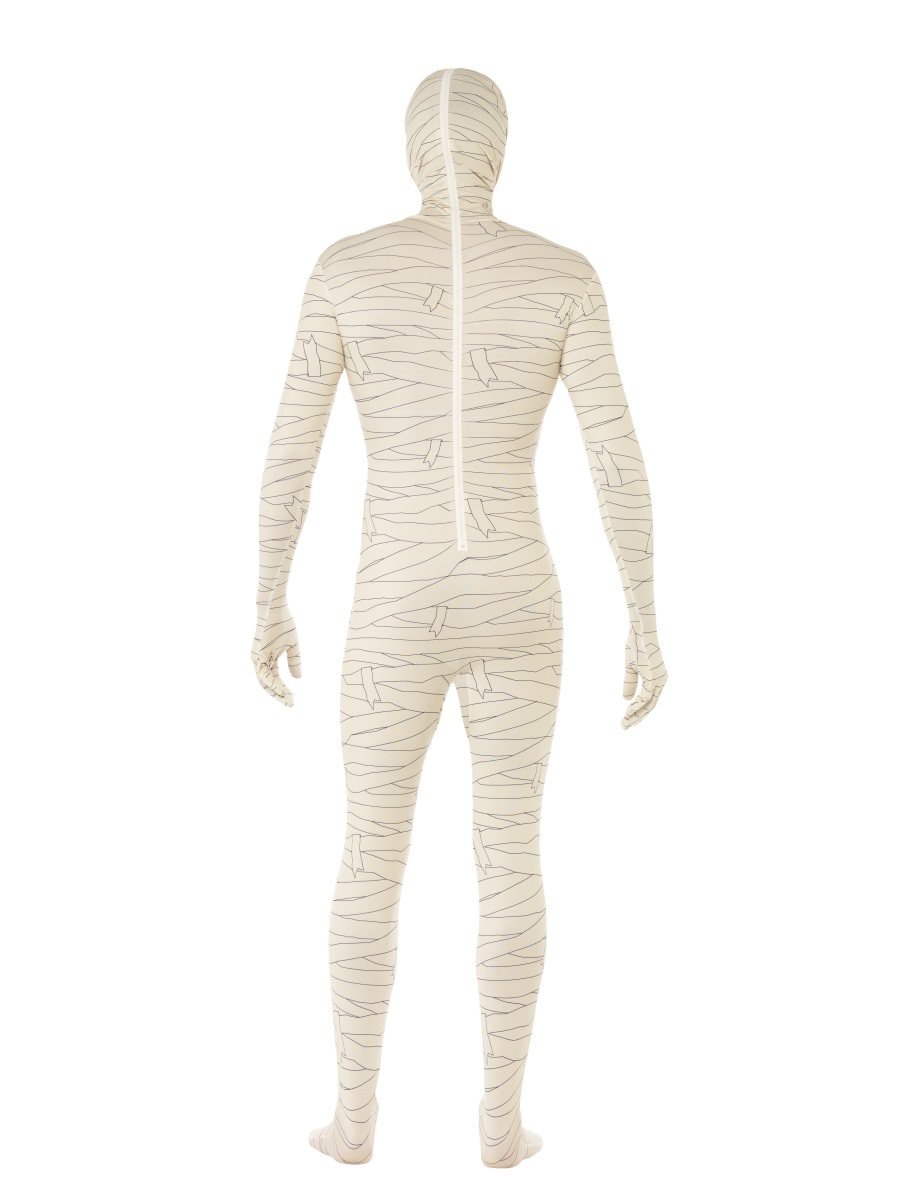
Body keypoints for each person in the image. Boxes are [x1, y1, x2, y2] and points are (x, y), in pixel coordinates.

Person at [251, 66, 668, 1167]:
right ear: (500, 148)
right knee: (511, 852)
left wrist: (268, 591)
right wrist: (643, 608)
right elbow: (615, 454)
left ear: (411, 151)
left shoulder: (345, 270)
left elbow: (291, 447)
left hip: (393, 598)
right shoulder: (564, 275)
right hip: (518, 595)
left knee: (369, 852)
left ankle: (354, 1121)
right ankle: (498, 1126)